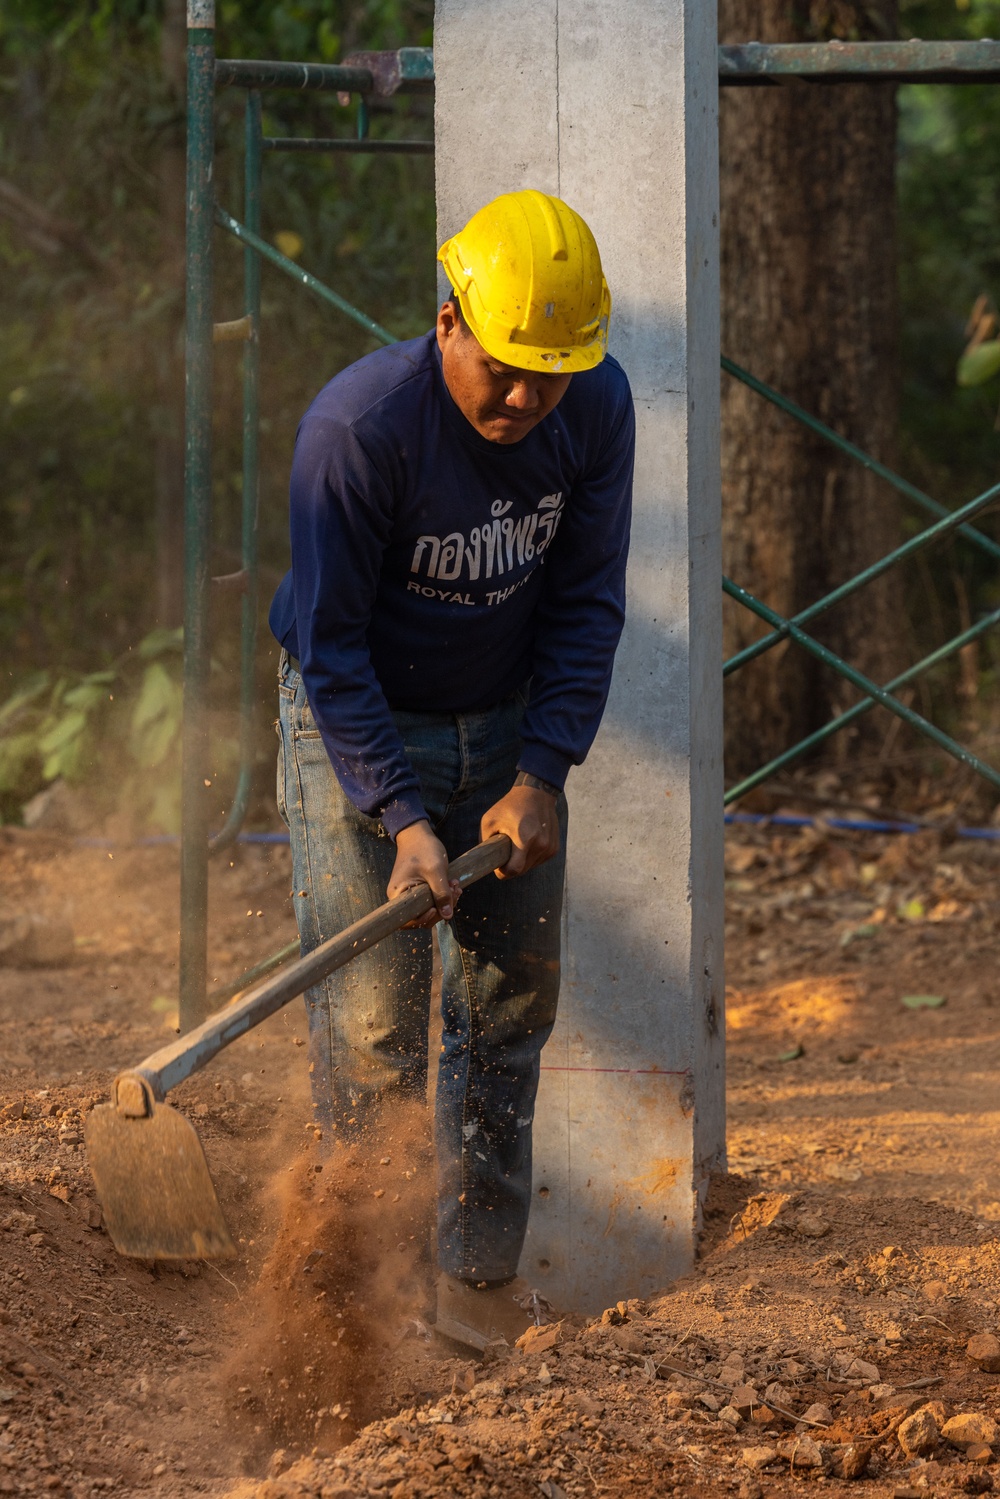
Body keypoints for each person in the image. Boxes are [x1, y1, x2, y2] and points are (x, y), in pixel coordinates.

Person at [269, 188, 635, 1351]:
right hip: (360, 726)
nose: (529, 398)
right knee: (374, 1030)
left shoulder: (595, 409)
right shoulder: (357, 432)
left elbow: (584, 601)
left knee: (504, 1010)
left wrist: (543, 768)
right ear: (447, 323)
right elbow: (327, 645)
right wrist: (398, 814)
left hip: (508, 719)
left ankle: (475, 1292)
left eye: (555, 373)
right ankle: (366, 1302)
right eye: (509, 367)